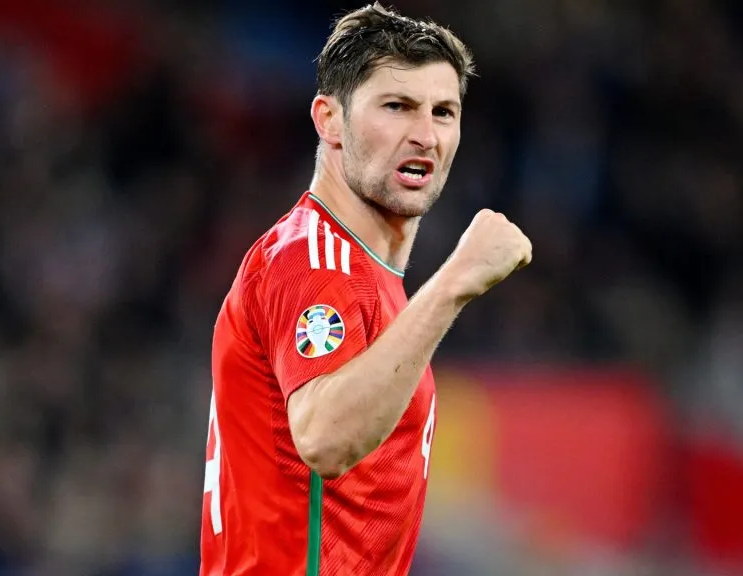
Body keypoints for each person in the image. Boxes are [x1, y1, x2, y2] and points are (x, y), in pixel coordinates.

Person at [199, 3, 532, 574]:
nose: (425, 135)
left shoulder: (362, 271)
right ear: (329, 120)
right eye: (397, 107)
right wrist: (453, 282)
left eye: (443, 112)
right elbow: (326, 438)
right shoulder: (314, 259)